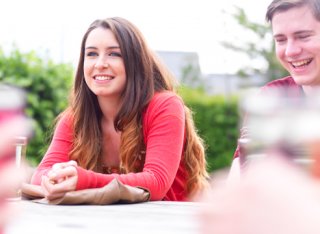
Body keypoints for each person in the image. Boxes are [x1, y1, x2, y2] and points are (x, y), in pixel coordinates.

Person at [31, 17, 209, 201]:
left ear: (135, 61)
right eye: (91, 54)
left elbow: (156, 183)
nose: (100, 63)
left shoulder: (164, 106)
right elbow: (39, 176)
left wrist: (83, 180)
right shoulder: (75, 118)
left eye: (114, 54)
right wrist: (54, 177)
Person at [232, 0, 320, 161]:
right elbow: (243, 173)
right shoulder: (269, 99)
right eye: (281, 40)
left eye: (304, 36)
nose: (290, 51)